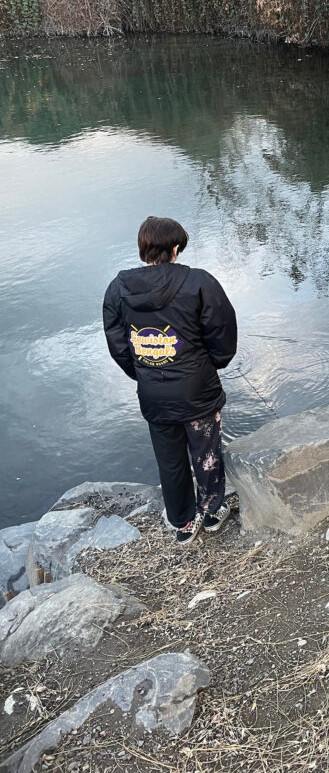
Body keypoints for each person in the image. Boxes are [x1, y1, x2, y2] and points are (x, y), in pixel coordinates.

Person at [103, 216, 238, 544]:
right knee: (206, 452)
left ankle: (183, 524)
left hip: (154, 395)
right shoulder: (199, 282)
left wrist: (145, 373)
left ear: (144, 250)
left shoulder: (117, 290)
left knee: (170, 460)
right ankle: (210, 513)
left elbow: (118, 344)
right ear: (174, 248)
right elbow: (223, 331)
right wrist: (212, 364)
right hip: (198, 391)